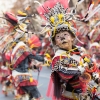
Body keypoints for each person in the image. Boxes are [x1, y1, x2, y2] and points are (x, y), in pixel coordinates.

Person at [36, 0, 100, 99]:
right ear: (55, 42)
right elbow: (66, 74)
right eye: (58, 37)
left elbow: (92, 66)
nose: (62, 38)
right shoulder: (58, 58)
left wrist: (95, 74)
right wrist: (83, 67)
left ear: (72, 37)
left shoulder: (81, 50)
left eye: (65, 34)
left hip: (88, 94)